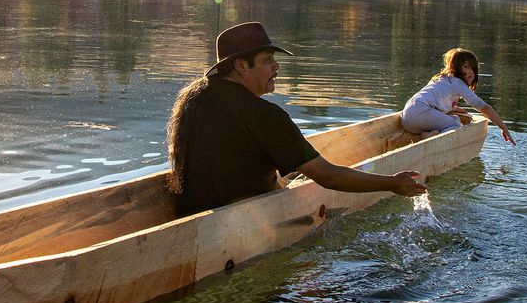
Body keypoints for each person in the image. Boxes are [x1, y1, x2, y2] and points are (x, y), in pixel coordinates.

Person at [167, 21, 426, 214]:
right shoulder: (265, 116)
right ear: (241, 66)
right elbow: (329, 177)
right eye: (268, 60)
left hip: (193, 211)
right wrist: (392, 183)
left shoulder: (195, 100)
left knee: (288, 176)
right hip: (242, 222)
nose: (276, 67)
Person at [400, 48, 516, 144]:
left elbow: (434, 98)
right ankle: (429, 138)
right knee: (454, 124)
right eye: (465, 67)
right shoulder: (458, 83)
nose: (470, 72)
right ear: (455, 67)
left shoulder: (442, 78)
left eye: (472, 67)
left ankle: (428, 134)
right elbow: (484, 107)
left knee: (455, 118)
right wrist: (503, 127)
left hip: (407, 116)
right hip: (418, 113)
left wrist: (452, 108)